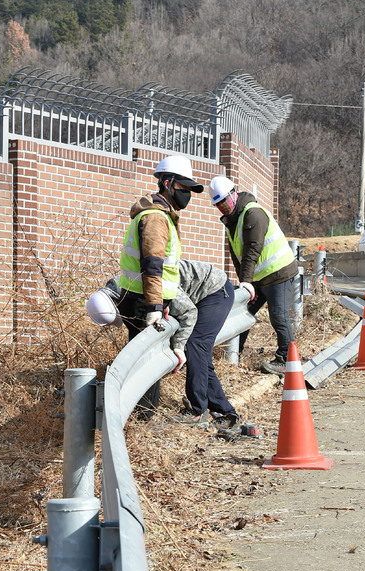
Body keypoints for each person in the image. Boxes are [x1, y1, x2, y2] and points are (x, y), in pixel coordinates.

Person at [88, 259, 240, 429]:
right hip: (197, 292)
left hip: (215, 290)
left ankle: (197, 410)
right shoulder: (121, 290)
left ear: (117, 303)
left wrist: (178, 347)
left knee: (196, 345)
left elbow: (188, 312)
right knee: (200, 356)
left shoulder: (150, 285)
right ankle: (225, 411)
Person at [116, 154, 204, 418]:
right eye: (184, 188)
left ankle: (139, 416)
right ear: (167, 183)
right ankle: (140, 419)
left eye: (190, 190)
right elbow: (152, 267)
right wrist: (154, 307)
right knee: (147, 363)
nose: (187, 194)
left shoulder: (163, 215)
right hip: (144, 301)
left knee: (146, 360)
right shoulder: (156, 218)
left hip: (146, 298)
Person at [208, 175, 298, 376]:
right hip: (259, 278)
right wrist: (246, 283)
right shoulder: (233, 220)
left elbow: (252, 250)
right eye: (218, 204)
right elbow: (238, 256)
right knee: (241, 313)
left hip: (279, 273)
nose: (222, 206)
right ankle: (233, 354)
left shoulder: (252, 214)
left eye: (224, 201)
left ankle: (287, 361)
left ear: (234, 193)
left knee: (279, 317)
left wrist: (245, 283)